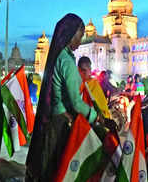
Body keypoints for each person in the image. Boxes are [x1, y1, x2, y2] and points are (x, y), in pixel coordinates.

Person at [26, 13, 99, 181]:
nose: (80, 43)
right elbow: (75, 102)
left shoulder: (59, 56)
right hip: (60, 123)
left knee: (48, 165)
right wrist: (97, 117)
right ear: (70, 35)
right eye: (79, 37)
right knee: (56, 167)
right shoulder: (66, 60)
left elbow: (56, 92)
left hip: (54, 118)